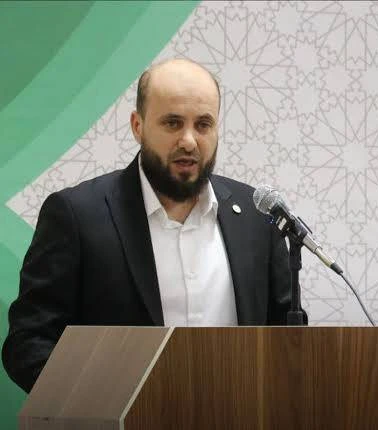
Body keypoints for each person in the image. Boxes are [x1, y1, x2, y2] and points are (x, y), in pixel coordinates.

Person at [2, 59, 303, 394]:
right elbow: (29, 343)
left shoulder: (256, 216)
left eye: (203, 124)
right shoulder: (78, 216)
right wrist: (95, 401)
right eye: (173, 123)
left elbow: (287, 341)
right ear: (138, 126)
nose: (189, 141)